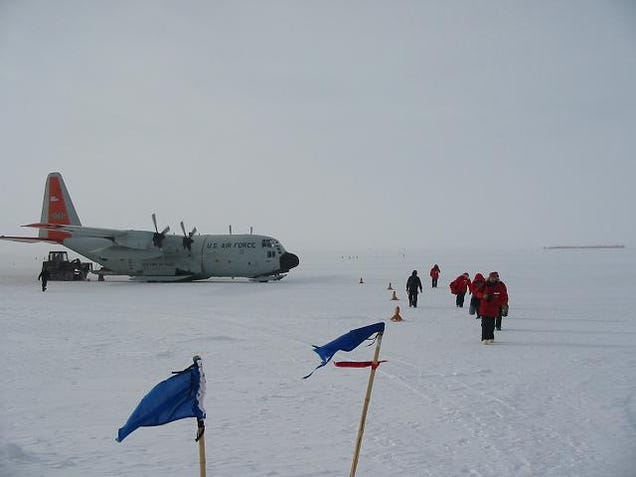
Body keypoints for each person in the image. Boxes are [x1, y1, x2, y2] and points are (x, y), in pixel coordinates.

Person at [477, 271, 508, 344]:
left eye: (494, 278)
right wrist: (483, 296)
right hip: (485, 308)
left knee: (491, 324)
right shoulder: (484, 284)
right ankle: (484, 338)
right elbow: (477, 293)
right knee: (484, 324)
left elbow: (504, 296)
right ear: (489, 277)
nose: (493, 279)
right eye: (491, 278)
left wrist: (503, 304)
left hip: (494, 308)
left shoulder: (499, 286)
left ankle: (491, 337)